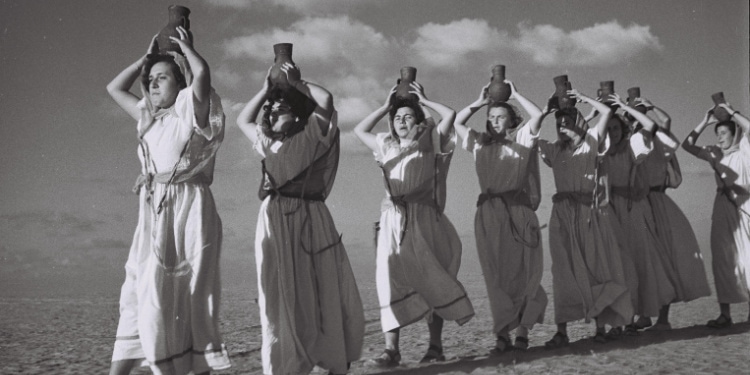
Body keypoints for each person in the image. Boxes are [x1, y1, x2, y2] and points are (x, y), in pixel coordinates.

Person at [106, 28, 230, 374]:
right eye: (151, 79)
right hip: (154, 212)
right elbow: (114, 89)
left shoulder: (189, 114)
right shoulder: (148, 119)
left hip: (189, 211)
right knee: (138, 288)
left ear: (181, 84)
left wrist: (185, 49)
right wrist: (142, 62)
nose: (154, 84)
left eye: (164, 78)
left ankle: (192, 366)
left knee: (187, 295)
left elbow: (202, 74)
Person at [236, 62, 364, 375]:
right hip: (275, 218)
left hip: (311, 218)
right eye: (273, 107)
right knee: (279, 292)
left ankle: (331, 358)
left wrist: (297, 82)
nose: (276, 109)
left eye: (284, 106)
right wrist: (268, 88)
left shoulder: (311, 135)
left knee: (321, 288)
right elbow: (242, 119)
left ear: (297, 114)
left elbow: (327, 101)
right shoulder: (266, 142)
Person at [353, 81, 474, 367]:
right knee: (388, 280)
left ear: (418, 120)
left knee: (431, 277)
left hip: (424, 218)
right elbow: (359, 130)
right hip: (392, 220)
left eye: (408, 116)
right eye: (397, 118)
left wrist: (424, 99)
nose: (402, 121)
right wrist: (386, 106)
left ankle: (435, 347)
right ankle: (391, 350)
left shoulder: (431, 140)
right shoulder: (385, 144)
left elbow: (450, 115)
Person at [453, 80, 547, 353]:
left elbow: (538, 115)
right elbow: (458, 124)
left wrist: (515, 94)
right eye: (491, 117)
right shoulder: (479, 144)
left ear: (512, 120)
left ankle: (523, 333)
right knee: (496, 277)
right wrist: (479, 103)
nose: (495, 121)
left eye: (501, 116)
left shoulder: (522, 139)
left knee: (524, 273)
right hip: (488, 214)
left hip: (518, 211)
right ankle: (502, 335)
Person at [538, 89, 633, 348]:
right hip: (562, 215)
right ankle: (562, 332)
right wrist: (547, 110)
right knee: (563, 271)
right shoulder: (553, 150)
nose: (562, 127)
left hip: (589, 213)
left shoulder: (592, 140)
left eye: (567, 123)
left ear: (579, 123)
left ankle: (601, 328)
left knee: (595, 267)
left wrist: (581, 96)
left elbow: (605, 112)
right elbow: (529, 134)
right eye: (558, 124)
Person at [600, 94, 677, 337]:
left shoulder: (634, 145)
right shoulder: (600, 152)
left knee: (639, 263)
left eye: (616, 127)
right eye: (609, 127)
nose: (612, 132)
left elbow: (653, 126)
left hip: (633, 209)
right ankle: (622, 320)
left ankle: (636, 319)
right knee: (618, 266)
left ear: (623, 128)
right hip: (610, 212)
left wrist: (624, 107)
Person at [638, 98, 711, 330]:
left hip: (658, 202)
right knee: (642, 260)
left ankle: (662, 319)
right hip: (638, 203)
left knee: (665, 258)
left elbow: (666, 120)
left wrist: (649, 106)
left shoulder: (660, 142)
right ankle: (644, 315)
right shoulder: (634, 143)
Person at [682, 103, 750, 328]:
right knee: (722, 260)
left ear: (735, 133)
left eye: (724, 133)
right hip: (721, 206)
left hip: (745, 206)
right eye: (717, 134)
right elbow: (687, 145)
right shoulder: (715, 154)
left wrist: (732, 113)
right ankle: (725, 315)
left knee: (748, 260)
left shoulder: (745, 150)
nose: (720, 138)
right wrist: (706, 121)